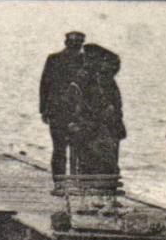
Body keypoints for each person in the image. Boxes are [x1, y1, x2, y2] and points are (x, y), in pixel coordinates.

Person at [70, 43, 125, 180]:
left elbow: (115, 105)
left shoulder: (105, 81)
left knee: (105, 165)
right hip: (91, 128)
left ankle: (104, 189)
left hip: (105, 128)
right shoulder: (84, 80)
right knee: (91, 164)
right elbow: (76, 103)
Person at [39, 31, 87, 178]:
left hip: (62, 110)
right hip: (70, 110)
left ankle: (61, 181)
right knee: (72, 149)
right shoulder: (83, 61)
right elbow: (45, 84)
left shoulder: (55, 59)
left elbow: (44, 85)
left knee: (61, 148)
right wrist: (44, 109)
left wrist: (43, 109)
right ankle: (70, 180)